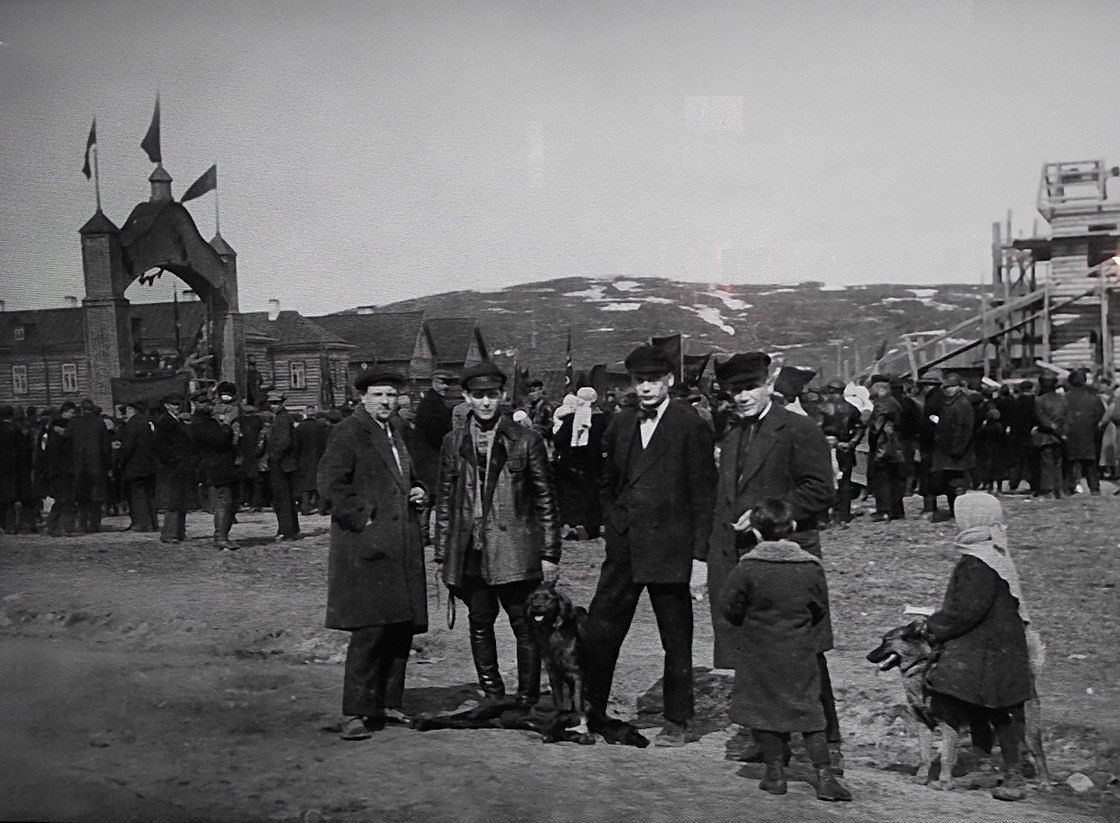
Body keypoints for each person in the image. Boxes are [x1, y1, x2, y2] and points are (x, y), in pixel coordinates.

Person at [706, 352, 841, 769]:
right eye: (733, 390)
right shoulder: (731, 432)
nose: (741, 396)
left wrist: (768, 512)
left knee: (805, 650)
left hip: (790, 557)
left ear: (769, 384)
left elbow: (821, 490)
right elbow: (724, 497)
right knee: (752, 649)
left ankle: (827, 741)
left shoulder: (799, 428)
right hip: (743, 559)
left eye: (749, 387)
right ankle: (765, 736)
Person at [581, 346, 716, 746]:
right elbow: (608, 484)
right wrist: (614, 521)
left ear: (670, 381)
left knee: (675, 636)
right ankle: (592, 711)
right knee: (601, 628)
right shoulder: (621, 424)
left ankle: (678, 719)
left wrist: (699, 557)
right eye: (638, 380)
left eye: (653, 380)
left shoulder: (690, 424)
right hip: (624, 547)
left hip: (671, 547)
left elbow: (704, 495)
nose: (645, 388)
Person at [434, 361, 560, 707]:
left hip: (516, 548)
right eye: (478, 396)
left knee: (524, 624)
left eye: (492, 395)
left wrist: (550, 553)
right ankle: (492, 694)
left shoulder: (526, 440)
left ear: (503, 396)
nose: (486, 403)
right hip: (470, 548)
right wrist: (443, 553)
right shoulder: (454, 441)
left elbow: (546, 498)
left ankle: (526, 697)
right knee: (479, 622)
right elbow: (444, 498)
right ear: (466, 397)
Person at [318, 368, 429, 740]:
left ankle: (388, 703)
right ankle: (355, 712)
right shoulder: (350, 431)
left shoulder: (396, 432)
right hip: (368, 546)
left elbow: (405, 477)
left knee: (399, 627)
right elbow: (331, 485)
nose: (386, 402)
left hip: (400, 544)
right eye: (379, 395)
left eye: (392, 395)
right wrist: (363, 520)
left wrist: (418, 490)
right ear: (362, 397)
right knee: (370, 630)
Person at [718, 497, 852, 802]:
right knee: (808, 709)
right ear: (791, 527)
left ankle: (775, 774)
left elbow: (729, 607)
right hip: (799, 651)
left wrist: (750, 623)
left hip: (759, 651)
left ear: (755, 531)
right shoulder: (809, 566)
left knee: (765, 709)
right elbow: (820, 608)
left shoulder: (748, 567)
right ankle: (824, 776)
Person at [921, 492, 1034, 802]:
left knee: (995, 707)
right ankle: (985, 763)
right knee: (985, 705)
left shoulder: (979, 561)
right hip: (994, 647)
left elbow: (967, 610)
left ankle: (1011, 773)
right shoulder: (993, 552)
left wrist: (932, 626)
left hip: (988, 650)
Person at [552, 386, 608, 540]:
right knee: (593, 493)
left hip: (571, 463)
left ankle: (572, 525)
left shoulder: (572, 418)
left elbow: (559, 440)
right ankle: (594, 525)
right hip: (595, 464)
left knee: (571, 494)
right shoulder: (603, 419)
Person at [191, 396, 242, 550]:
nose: (208, 405)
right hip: (216, 467)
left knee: (230, 502)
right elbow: (219, 440)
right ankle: (220, 537)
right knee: (223, 501)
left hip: (223, 466)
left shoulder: (209, 421)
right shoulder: (200, 423)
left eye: (209, 403)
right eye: (203, 403)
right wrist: (226, 424)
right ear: (195, 404)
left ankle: (223, 535)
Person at [929, 373, 974, 519]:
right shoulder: (950, 403)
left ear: (957, 387)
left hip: (957, 453)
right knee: (950, 484)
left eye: (950, 387)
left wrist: (957, 449)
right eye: (946, 387)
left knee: (958, 484)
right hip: (947, 451)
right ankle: (955, 510)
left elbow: (965, 429)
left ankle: (959, 511)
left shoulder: (962, 404)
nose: (947, 390)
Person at [154, 395, 195, 544]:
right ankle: (169, 534)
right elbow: (161, 447)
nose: (177, 407)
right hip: (172, 468)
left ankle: (180, 532)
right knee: (173, 500)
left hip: (180, 467)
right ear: (166, 405)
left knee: (181, 500)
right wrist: (174, 462)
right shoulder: (165, 422)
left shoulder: (177, 421)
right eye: (174, 404)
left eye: (179, 404)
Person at [67, 398, 112, 534]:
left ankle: (81, 524)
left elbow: (67, 442)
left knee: (81, 497)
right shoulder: (99, 422)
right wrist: (108, 465)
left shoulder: (74, 423)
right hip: (97, 465)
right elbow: (106, 447)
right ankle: (94, 525)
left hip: (79, 466)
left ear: (81, 409)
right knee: (96, 497)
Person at [867, 375, 905, 521]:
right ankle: (896, 510)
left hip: (883, 447)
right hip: (894, 446)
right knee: (894, 479)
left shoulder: (882, 404)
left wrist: (871, 441)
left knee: (882, 479)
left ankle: (884, 510)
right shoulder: (893, 401)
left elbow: (876, 428)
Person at [118, 400, 159, 532]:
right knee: (149, 495)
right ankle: (152, 523)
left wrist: (121, 461)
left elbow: (128, 447)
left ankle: (141, 524)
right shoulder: (149, 422)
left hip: (135, 466)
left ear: (133, 410)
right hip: (150, 465)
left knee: (137, 495)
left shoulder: (133, 424)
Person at [267, 392, 301, 540]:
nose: (274, 406)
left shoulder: (282, 419)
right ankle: (292, 529)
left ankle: (285, 530)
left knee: (282, 499)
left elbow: (283, 442)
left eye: (276, 403)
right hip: (287, 463)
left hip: (282, 464)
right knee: (287, 497)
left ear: (282, 403)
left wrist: (274, 457)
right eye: (272, 403)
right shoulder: (284, 417)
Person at [1063, 370, 1104, 495]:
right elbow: (1100, 414)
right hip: (1087, 432)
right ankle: (1094, 488)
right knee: (1090, 463)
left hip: (1069, 432)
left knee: (1069, 462)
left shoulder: (1064, 398)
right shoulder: (1093, 399)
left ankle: (1070, 486)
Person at [1031, 375, 1066, 499]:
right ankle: (1059, 489)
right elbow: (1065, 417)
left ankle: (1048, 490)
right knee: (1058, 463)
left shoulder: (1039, 400)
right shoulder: (1062, 399)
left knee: (1047, 464)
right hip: (1060, 436)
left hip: (1045, 436)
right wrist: (1061, 432)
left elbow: (1041, 419)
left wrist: (1052, 427)